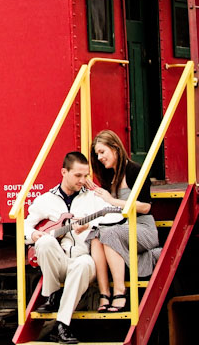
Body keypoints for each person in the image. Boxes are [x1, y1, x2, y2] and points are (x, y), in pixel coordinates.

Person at [25, 151, 111, 344]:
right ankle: (52, 294)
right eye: (78, 175)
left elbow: (114, 219)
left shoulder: (93, 198)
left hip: (84, 261)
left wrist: (90, 225)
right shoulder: (46, 199)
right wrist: (32, 234)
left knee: (83, 263)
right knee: (45, 241)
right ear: (64, 172)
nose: (83, 180)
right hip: (59, 262)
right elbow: (24, 224)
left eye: (85, 175)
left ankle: (62, 324)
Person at [88, 130, 162, 313]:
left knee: (109, 233)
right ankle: (104, 294)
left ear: (115, 148)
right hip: (119, 226)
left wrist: (111, 200)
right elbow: (109, 210)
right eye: (97, 154)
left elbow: (146, 207)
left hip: (142, 227)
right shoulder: (108, 175)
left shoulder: (134, 170)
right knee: (95, 236)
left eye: (102, 152)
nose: (99, 158)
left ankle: (120, 291)